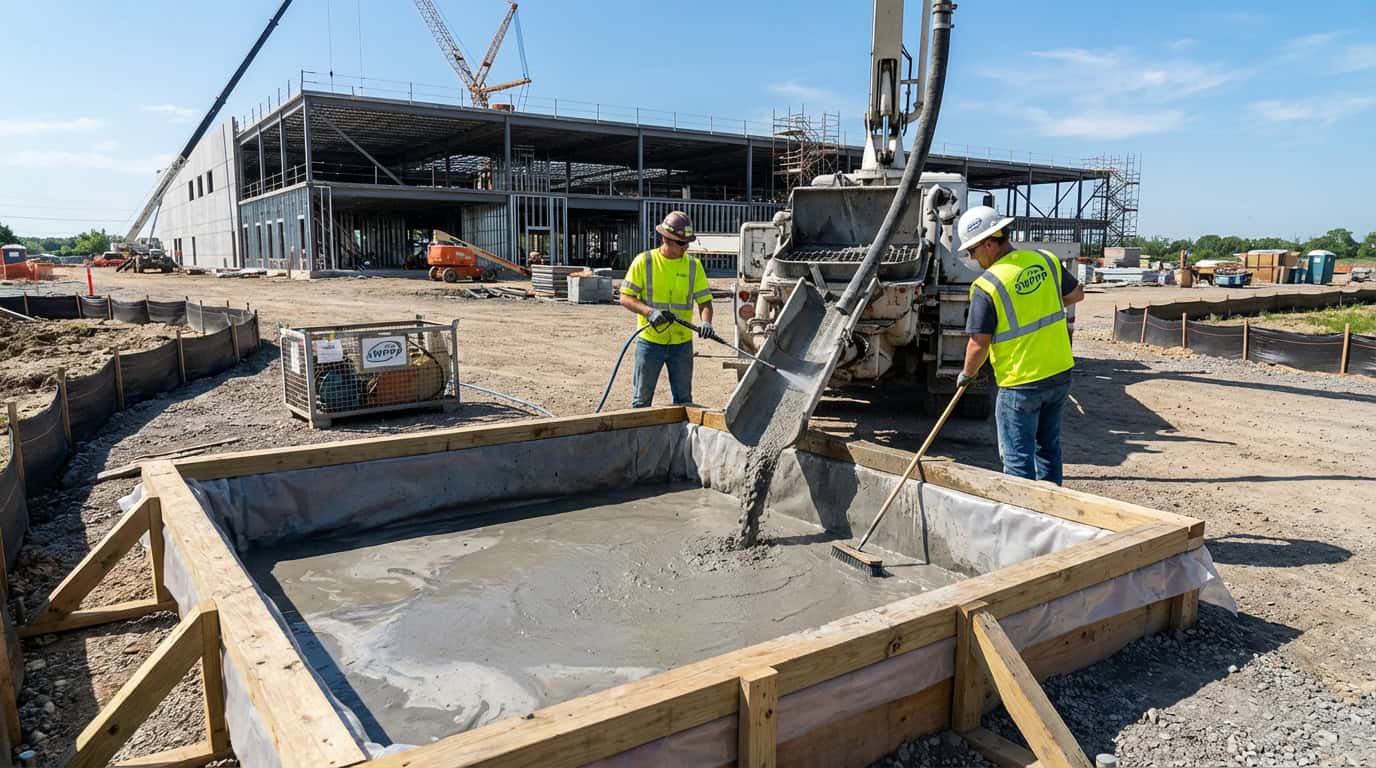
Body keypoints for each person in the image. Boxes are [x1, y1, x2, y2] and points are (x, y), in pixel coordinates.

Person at [956, 206, 1084, 485]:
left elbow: (978, 343)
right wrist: (1038, 303)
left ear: (989, 243)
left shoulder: (987, 285)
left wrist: (967, 374)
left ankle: (1021, 520)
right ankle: (1050, 515)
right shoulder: (1045, 260)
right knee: (1048, 450)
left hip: (1020, 382)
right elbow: (1076, 294)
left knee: (1017, 458)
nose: (972, 258)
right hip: (1059, 372)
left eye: (972, 250)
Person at [618, 211, 715, 407]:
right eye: (681, 243)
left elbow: (705, 302)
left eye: (687, 242)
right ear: (666, 238)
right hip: (651, 342)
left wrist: (706, 321)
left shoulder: (693, 266)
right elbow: (625, 297)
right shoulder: (644, 262)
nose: (686, 247)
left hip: (682, 344)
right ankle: (642, 437)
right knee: (641, 402)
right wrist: (649, 312)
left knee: (684, 402)